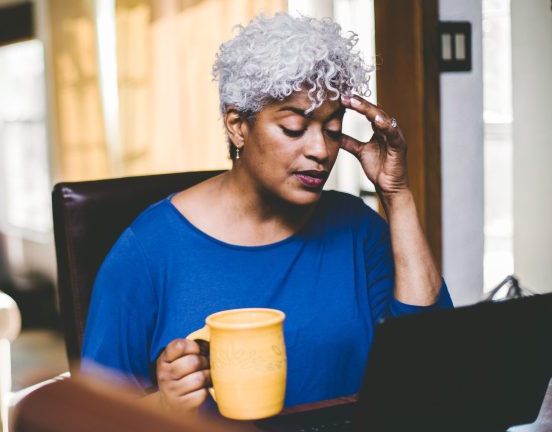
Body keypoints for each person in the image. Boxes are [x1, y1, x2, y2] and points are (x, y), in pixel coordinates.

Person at [81, 12, 453, 415]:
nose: (321, 151)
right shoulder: (148, 252)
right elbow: (86, 418)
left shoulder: (357, 229)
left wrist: (396, 194)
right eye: (294, 128)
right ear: (238, 126)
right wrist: (162, 406)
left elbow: (431, 361)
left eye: (332, 129)